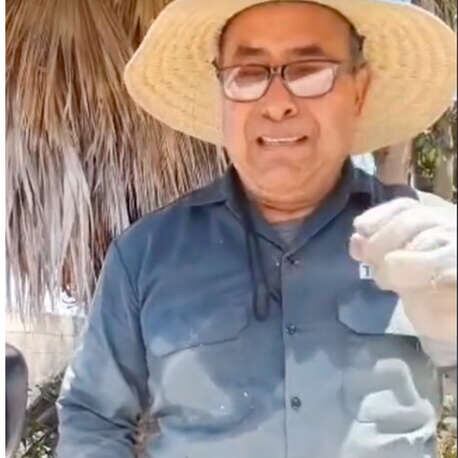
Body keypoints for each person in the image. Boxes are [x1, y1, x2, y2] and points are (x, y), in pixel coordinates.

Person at [56, 1, 457, 457]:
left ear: (359, 91)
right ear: (222, 95)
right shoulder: (145, 254)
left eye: (310, 71)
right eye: (248, 74)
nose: (278, 103)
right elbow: (92, 416)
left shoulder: (432, 241)